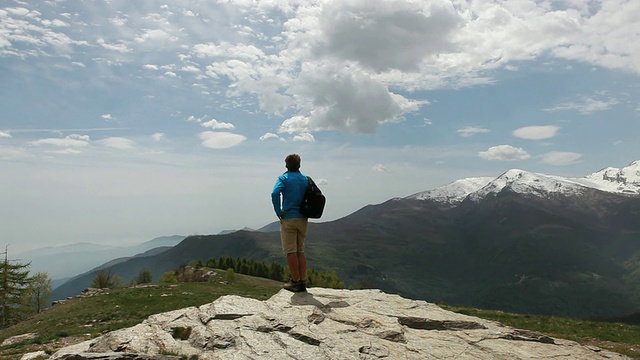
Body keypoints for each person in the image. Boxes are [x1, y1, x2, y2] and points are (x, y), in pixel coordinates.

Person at [271, 153, 309, 293]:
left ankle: (295, 282)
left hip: (289, 218)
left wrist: (279, 211)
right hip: (303, 218)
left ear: (286, 164)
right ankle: (303, 281)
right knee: (300, 250)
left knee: (291, 251)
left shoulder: (284, 178)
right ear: (299, 164)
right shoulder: (305, 179)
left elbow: (275, 194)